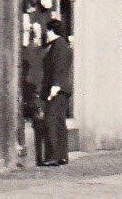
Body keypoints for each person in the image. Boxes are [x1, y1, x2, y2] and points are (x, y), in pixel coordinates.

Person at [38, 18, 73, 166]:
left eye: (47, 30)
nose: (46, 34)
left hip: (57, 89)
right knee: (59, 122)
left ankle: (53, 156)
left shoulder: (58, 46)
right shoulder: (61, 45)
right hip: (61, 89)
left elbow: (59, 67)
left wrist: (54, 88)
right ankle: (62, 155)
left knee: (51, 121)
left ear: (51, 30)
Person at [20, 15, 45, 164]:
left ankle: (38, 156)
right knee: (36, 122)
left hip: (34, 89)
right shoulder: (31, 50)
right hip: (31, 90)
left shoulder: (36, 50)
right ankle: (37, 157)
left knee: (38, 122)